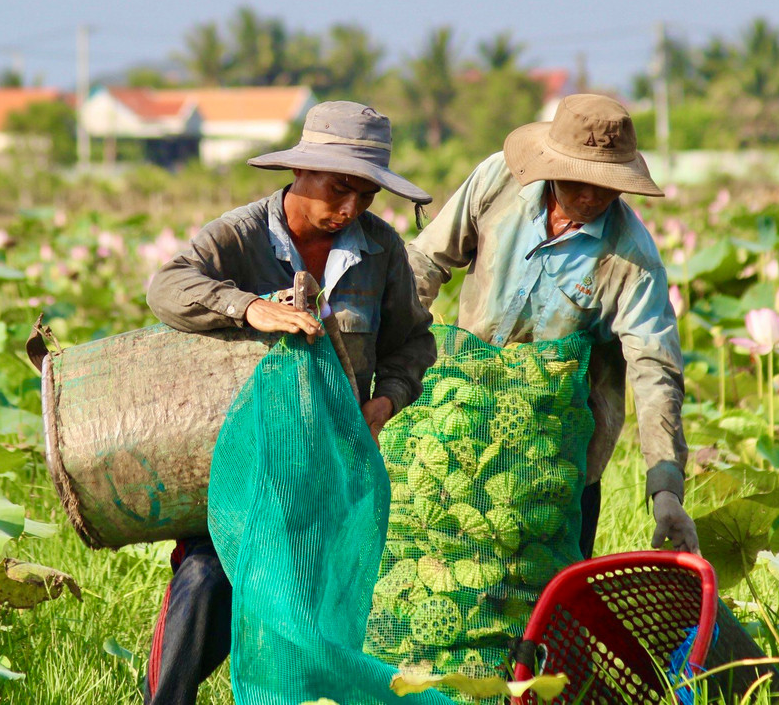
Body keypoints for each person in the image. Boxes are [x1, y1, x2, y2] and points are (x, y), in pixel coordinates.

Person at [142, 100, 437, 705]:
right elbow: (167, 286)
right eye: (339, 188)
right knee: (207, 581)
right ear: (301, 170)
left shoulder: (381, 250)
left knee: (309, 618)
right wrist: (248, 307)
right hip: (241, 467)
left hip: (328, 472)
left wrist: (385, 402)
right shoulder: (240, 234)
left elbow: (412, 343)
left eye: (365, 194)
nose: (350, 207)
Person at [407, 93, 698, 559]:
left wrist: (666, 489)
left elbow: (654, 368)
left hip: (560, 447)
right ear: (550, 165)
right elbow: (425, 261)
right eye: (578, 181)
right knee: (456, 565)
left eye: (607, 185)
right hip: (466, 417)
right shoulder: (497, 180)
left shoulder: (633, 258)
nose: (591, 197)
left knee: (549, 579)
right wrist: (391, 359)